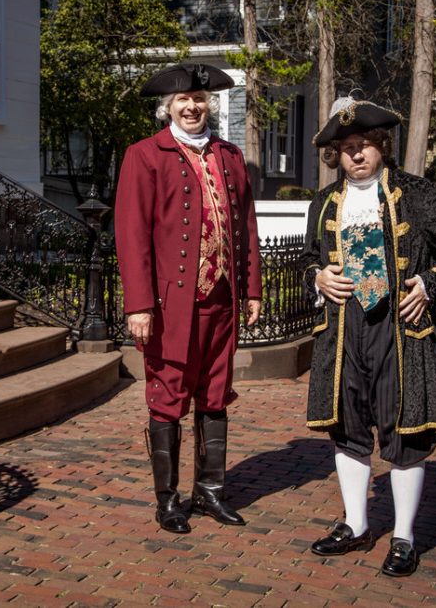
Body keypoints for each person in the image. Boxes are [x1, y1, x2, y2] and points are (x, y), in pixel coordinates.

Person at [302, 96, 436, 576]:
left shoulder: (415, 193)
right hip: (342, 332)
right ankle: (356, 525)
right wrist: (317, 277)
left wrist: (433, 282)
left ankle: (403, 537)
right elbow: (306, 260)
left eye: (364, 145)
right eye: (346, 148)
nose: (356, 155)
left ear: (381, 146)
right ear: (334, 156)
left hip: (400, 328)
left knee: (405, 430)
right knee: (348, 427)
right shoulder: (323, 204)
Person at [114, 63, 263, 534]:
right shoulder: (145, 155)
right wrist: (138, 304)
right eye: (183, 100)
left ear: (209, 103)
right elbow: (131, 233)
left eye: (199, 97)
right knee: (168, 396)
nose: (192, 105)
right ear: (168, 107)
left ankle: (210, 491)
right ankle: (168, 500)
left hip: (222, 301)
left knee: (215, 395)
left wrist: (252, 288)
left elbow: (248, 228)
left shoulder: (231, 155)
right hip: (170, 306)